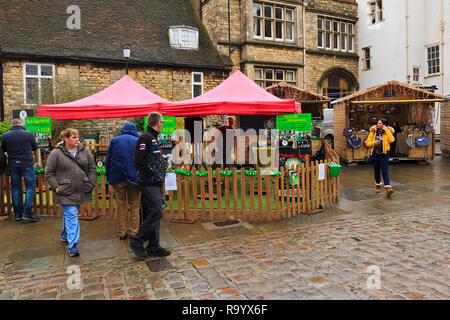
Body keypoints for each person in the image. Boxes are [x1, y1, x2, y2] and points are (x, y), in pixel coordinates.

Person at [45, 128, 97, 257]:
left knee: (70, 215)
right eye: (74, 137)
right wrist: (57, 187)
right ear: (66, 139)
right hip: (65, 191)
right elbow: (49, 173)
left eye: (77, 137)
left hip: (82, 189)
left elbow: (92, 168)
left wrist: (90, 183)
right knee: (72, 213)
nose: (77, 139)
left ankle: (64, 235)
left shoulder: (84, 151)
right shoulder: (56, 153)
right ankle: (73, 245)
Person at [129, 112, 170, 258]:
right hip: (148, 183)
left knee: (153, 213)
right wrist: (152, 174)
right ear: (158, 123)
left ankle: (153, 246)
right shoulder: (146, 137)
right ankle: (137, 241)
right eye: (162, 122)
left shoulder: (152, 138)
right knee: (157, 212)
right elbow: (139, 160)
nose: (163, 124)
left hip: (155, 183)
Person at [105, 122, 140, 240]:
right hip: (134, 178)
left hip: (118, 177)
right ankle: (134, 232)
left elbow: (108, 160)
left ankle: (122, 232)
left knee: (121, 205)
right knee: (134, 205)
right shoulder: (138, 141)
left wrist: (109, 177)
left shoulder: (115, 140)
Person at [1, 118, 39, 222]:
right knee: (30, 187)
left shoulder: (5, 135)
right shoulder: (28, 134)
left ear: (12, 125)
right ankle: (27, 213)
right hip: (26, 163)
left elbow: (4, 149)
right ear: (21, 124)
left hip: (13, 164)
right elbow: (34, 147)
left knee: (15, 188)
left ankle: (17, 214)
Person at [365, 119, 395, 197]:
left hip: (384, 154)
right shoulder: (373, 131)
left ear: (383, 124)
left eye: (380, 123)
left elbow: (392, 140)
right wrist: (374, 143)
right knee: (377, 170)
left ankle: (388, 188)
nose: (378, 124)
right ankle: (378, 185)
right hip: (375, 154)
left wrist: (387, 130)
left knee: (385, 171)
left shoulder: (387, 131)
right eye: (378, 123)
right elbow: (368, 143)